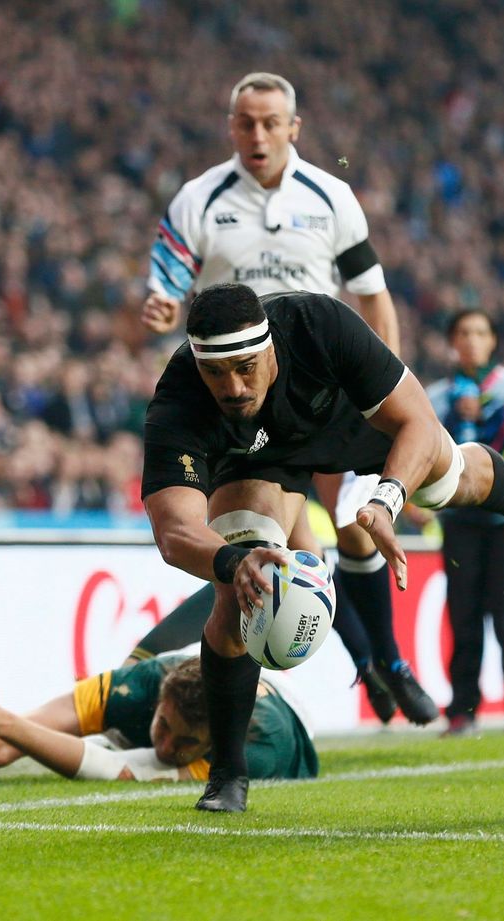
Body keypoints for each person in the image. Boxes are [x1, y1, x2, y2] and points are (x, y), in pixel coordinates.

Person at [141, 282, 504, 812]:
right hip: (258, 463)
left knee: (445, 482)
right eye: (216, 372)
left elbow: (418, 422)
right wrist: (232, 561)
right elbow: (175, 531)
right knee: (241, 590)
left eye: (245, 366)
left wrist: (388, 497)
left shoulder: (319, 325)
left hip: (345, 422)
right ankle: (228, 775)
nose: (233, 386)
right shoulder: (179, 398)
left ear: (269, 348)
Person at [141, 71, 437, 727]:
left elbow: (371, 295)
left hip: (315, 386)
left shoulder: (332, 197)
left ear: (293, 128)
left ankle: (386, 661)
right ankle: (367, 666)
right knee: (280, 554)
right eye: (246, 122)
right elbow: (164, 285)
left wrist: (379, 387)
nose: (258, 134)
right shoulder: (198, 199)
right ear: (231, 127)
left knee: (359, 520)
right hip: (236, 402)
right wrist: (161, 306)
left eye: (271, 123)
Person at [426, 310, 504, 736]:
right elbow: (422, 445)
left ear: (493, 340)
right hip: (460, 520)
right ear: (452, 341)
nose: (471, 340)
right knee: (462, 615)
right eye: (463, 332)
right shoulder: (438, 396)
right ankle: (462, 709)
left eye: (480, 332)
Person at [0, 653, 318, 784]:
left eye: (186, 744)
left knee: (114, 753)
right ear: (161, 699)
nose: (167, 747)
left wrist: (1, 720)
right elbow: (1, 747)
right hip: (188, 668)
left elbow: (120, 771)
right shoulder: (147, 682)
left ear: (215, 742)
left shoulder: (258, 749)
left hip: (292, 721)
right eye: (164, 726)